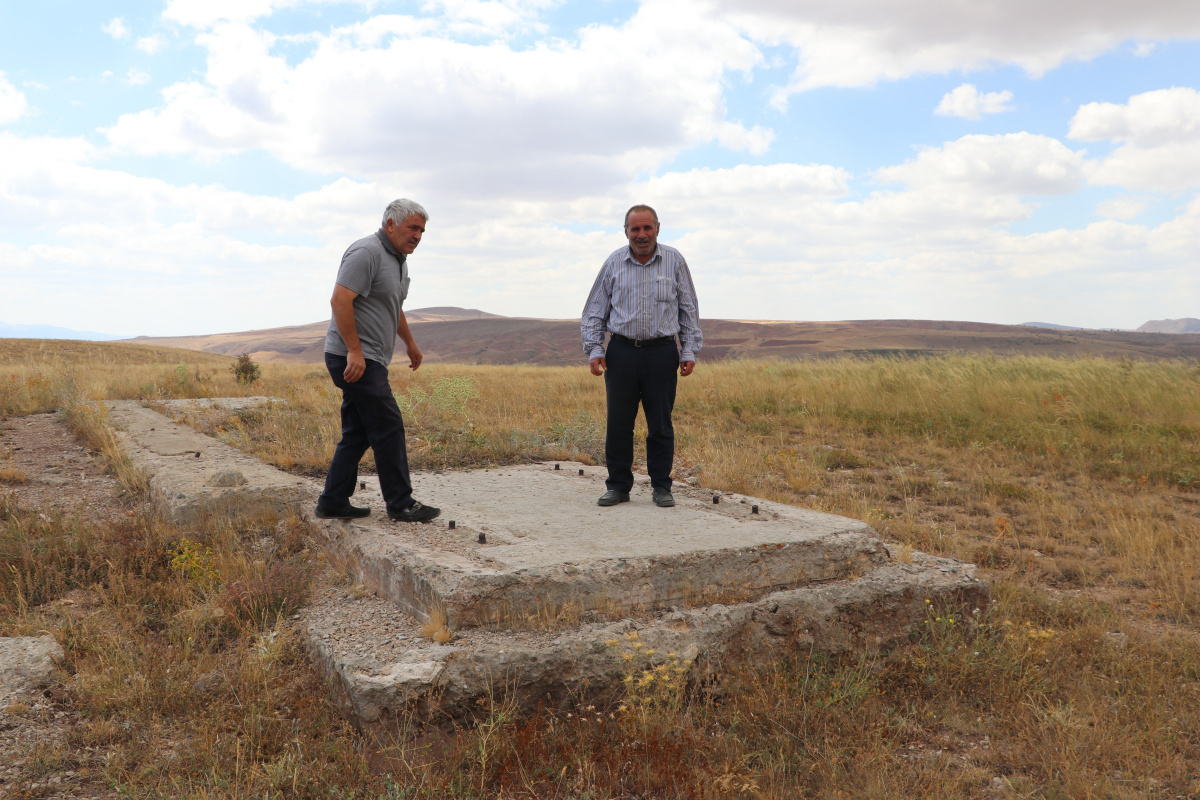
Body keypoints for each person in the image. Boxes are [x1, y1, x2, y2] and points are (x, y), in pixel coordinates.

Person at [315, 199, 441, 523]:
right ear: (390, 225)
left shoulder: (400, 260)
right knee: (388, 424)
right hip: (354, 357)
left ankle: (332, 500)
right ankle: (401, 503)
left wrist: (410, 343)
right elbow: (340, 300)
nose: (418, 236)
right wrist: (354, 351)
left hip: (369, 357)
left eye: (422, 230)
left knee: (359, 431)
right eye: (413, 228)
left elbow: (393, 306)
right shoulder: (366, 252)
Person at [581, 204, 702, 508]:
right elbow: (594, 311)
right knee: (619, 423)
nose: (642, 234)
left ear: (658, 228)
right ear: (626, 232)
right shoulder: (613, 263)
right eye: (635, 229)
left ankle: (661, 487)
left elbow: (688, 309)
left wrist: (688, 349)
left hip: (662, 352)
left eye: (647, 228)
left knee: (660, 424)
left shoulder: (674, 261)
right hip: (621, 352)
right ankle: (618, 486)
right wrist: (595, 348)